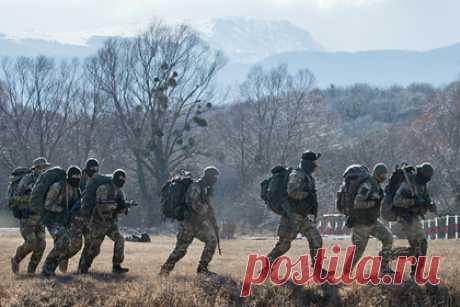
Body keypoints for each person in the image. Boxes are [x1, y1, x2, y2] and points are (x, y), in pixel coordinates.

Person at [160, 166, 220, 275]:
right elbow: (192, 203)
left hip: (199, 224)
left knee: (212, 240)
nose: (215, 181)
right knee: (180, 251)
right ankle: (164, 271)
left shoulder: (206, 188)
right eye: (214, 178)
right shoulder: (196, 186)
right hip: (188, 224)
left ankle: (202, 269)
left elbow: (207, 206)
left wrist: (213, 222)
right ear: (208, 176)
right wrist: (205, 211)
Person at [267, 151, 322, 268]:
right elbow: (292, 191)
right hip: (292, 215)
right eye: (314, 162)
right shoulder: (297, 174)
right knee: (284, 245)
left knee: (315, 238)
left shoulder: (306, 176)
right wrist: (306, 195)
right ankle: (266, 267)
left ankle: (318, 269)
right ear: (308, 163)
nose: (316, 165)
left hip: (300, 215)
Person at [77, 169, 129, 274]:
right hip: (98, 223)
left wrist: (124, 208)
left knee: (120, 240)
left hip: (110, 223)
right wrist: (116, 205)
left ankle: (116, 266)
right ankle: (83, 268)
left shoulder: (119, 192)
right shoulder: (103, 188)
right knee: (94, 249)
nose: (122, 182)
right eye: (120, 179)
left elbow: (119, 209)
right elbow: (101, 205)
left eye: (123, 180)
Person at [392, 162, 436, 276]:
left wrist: (430, 204)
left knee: (419, 246)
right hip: (405, 217)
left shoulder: (422, 184)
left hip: (414, 217)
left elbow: (426, 198)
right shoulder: (407, 183)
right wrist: (413, 202)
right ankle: (388, 255)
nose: (425, 181)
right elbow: (396, 201)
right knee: (419, 245)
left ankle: (415, 272)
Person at [348, 163, 393, 273]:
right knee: (358, 251)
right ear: (377, 174)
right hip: (361, 223)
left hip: (372, 221)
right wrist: (372, 203)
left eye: (385, 175)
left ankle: (384, 268)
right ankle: (346, 273)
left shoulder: (376, 185)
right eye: (382, 175)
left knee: (388, 238)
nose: (384, 177)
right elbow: (357, 203)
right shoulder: (367, 185)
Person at [59, 158, 100, 273]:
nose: (95, 171)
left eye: (96, 169)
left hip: (88, 217)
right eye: (93, 169)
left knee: (91, 242)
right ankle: (63, 257)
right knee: (76, 245)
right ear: (87, 169)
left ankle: (82, 269)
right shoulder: (79, 178)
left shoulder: (96, 180)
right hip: (75, 217)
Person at [10, 157, 50, 274]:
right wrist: (31, 199)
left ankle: (31, 271)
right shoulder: (26, 180)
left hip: (40, 218)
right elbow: (13, 199)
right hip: (27, 217)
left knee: (41, 245)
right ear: (36, 168)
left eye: (45, 168)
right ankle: (16, 259)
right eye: (42, 167)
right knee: (31, 242)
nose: (44, 170)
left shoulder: (47, 181)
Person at [41, 166, 82, 276]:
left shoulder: (76, 190)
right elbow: (47, 205)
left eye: (79, 177)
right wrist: (61, 210)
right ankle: (47, 268)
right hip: (52, 220)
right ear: (69, 177)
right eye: (75, 177)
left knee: (77, 244)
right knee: (62, 239)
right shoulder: (58, 186)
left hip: (66, 221)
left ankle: (61, 259)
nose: (77, 179)